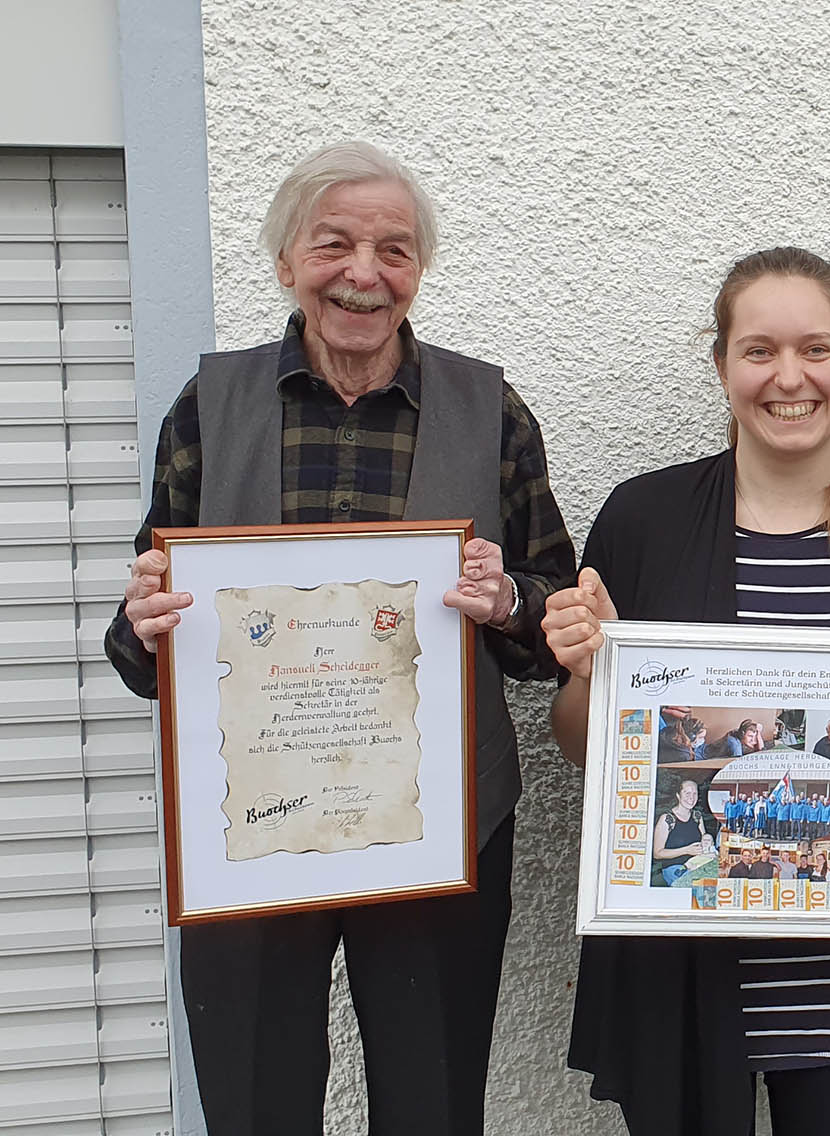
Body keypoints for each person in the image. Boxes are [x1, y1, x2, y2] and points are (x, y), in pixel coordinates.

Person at [102, 142, 576, 1136]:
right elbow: (147, 631)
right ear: (285, 263)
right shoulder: (209, 406)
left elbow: (553, 626)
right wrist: (143, 622)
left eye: (393, 250)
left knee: (432, 1104)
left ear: (417, 272)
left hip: (441, 823)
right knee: (255, 1103)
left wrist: (507, 605)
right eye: (335, 245)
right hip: (251, 831)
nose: (364, 272)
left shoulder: (490, 410)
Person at [543, 247, 830, 1135]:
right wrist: (591, 677)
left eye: (816, 349)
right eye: (759, 351)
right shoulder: (646, 520)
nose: (790, 377)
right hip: (686, 974)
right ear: (721, 366)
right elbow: (584, 745)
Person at [653, 779, 715, 886]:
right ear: (678, 795)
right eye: (687, 793)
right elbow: (657, 853)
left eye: (695, 793)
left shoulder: (697, 816)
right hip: (675, 868)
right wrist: (686, 850)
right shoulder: (667, 819)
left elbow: (705, 841)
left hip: (697, 864)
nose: (691, 797)